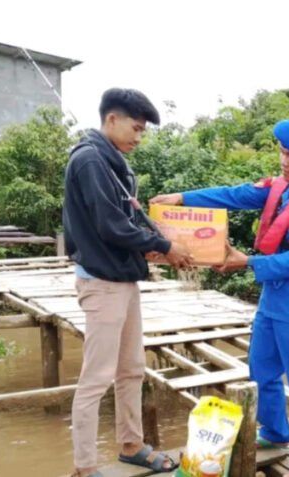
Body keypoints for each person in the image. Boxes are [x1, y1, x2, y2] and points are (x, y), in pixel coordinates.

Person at [150, 119, 289, 476]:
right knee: (262, 369)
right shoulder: (280, 188)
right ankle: (275, 432)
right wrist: (183, 198)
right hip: (272, 300)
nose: (285, 161)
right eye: (283, 152)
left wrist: (246, 262)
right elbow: (235, 195)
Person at [63, 88, 193, 477]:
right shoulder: (89, 160)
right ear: (111, 120)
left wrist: (147, 251)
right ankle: (85, 467)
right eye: (135, 128)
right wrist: (165, 245)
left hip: (122, 280)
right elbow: (110, 226)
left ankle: (131, 444)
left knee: (132, 369)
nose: (138, 137)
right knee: (96, 378)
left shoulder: (111, 161)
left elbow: (120, 227)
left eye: (142, 131)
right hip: (101, 284)